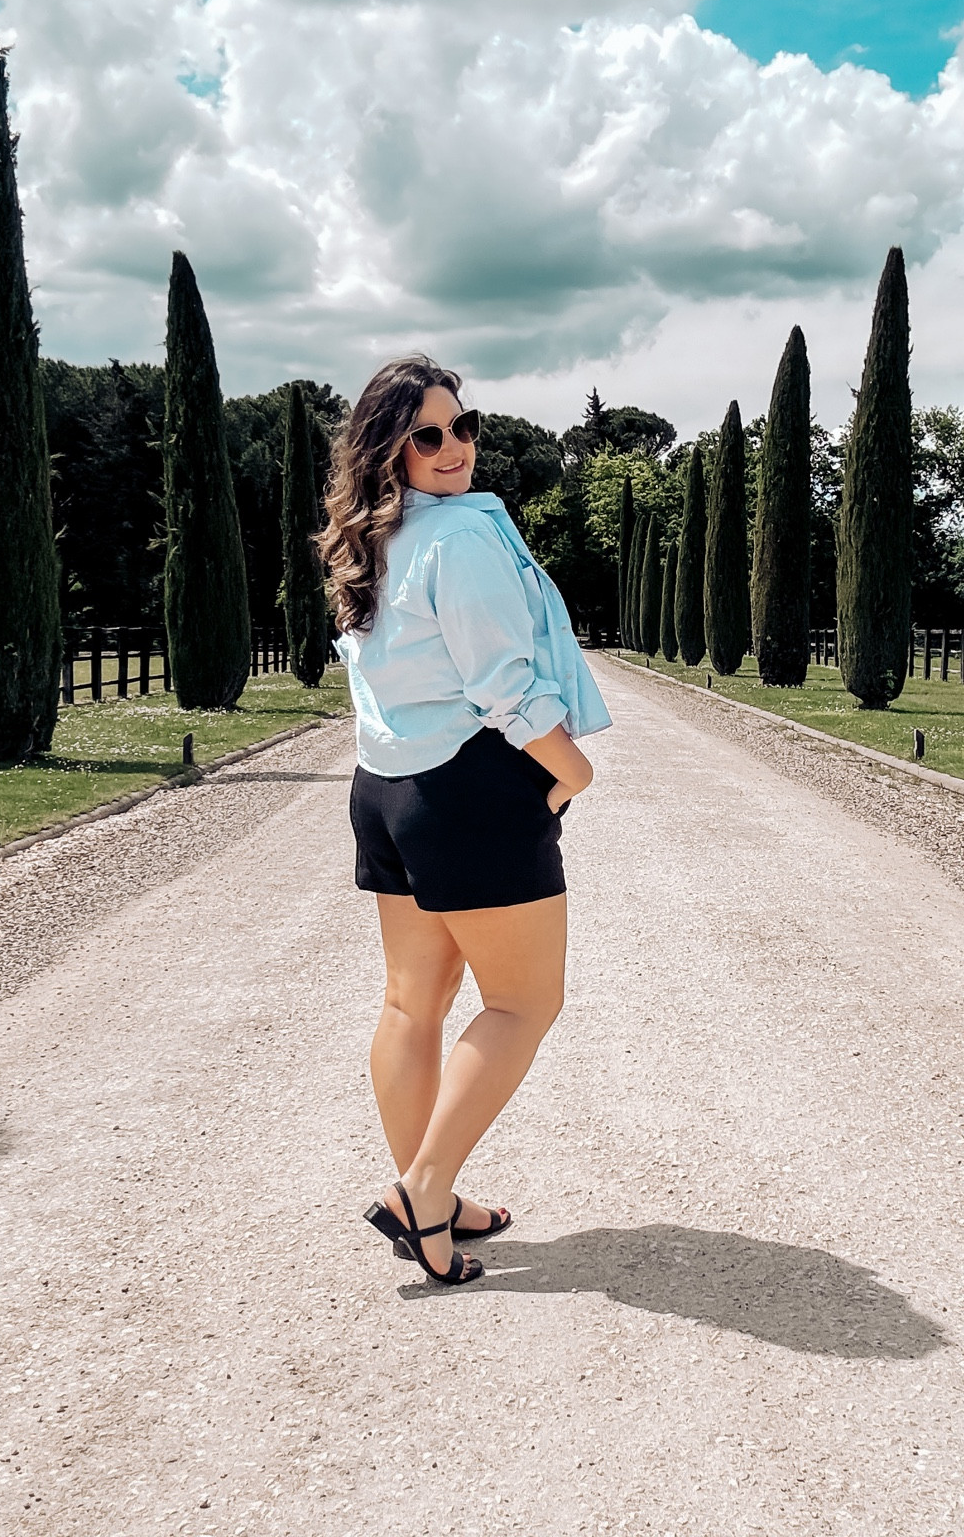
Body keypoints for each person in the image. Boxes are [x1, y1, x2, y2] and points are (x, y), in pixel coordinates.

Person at [319, 354, 612, 1285]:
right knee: (526, 1002)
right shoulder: (461, 539)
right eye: (428, 435)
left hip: (386, 790)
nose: (455, 448)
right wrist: (574, 769)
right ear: (389, 450)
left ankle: (434, 1199)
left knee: (414, 1004)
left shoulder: (369, 542)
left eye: (464, 425)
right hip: (468, 786)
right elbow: (504, 685)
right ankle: (423, 1192)